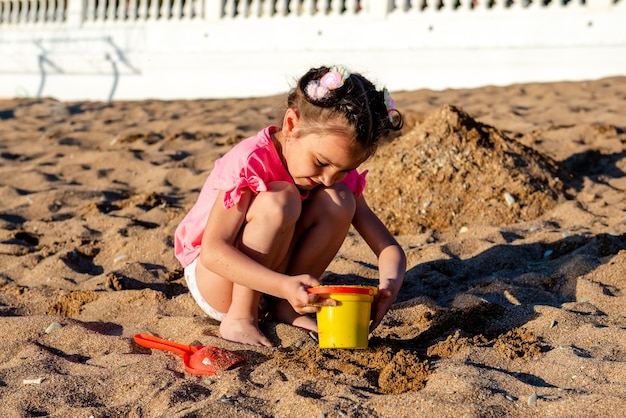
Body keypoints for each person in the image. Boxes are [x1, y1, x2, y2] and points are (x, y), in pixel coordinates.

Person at [174, 65, 406, 346]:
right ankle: (241, 317)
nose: (329, 177)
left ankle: (286, 307)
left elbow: (387, 247)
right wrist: (283, 285)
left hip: (278, 285)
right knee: (281, 199)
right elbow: (213, 252)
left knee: (340, 199)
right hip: (219, 279)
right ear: (291, 125)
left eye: (345, 169)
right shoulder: (252, 160)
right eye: (321, 162)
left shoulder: (334, 174)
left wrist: (389, 286)